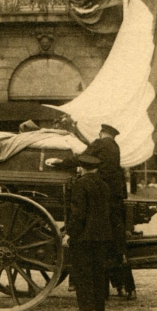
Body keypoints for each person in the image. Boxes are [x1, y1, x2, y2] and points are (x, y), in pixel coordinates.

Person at [46, 124, 135, 300]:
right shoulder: (115, 147)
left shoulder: (100, 144)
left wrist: (60, 163)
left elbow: (82, 158)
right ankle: (123, 287)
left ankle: (85, 288)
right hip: (113, 196)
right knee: (116, 244)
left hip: (99, 198)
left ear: (102, 133)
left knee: (92, 245)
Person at [62, 155, 113, 311]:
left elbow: (78, 214)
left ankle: (86, 308)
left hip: (84, 236)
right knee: (98, 272)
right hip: (102, 236)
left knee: (83, 272)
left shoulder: (80, 184)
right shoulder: (104, 186)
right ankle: (99, 308)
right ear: (96, 168)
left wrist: (69, 233)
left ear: (81, 168)